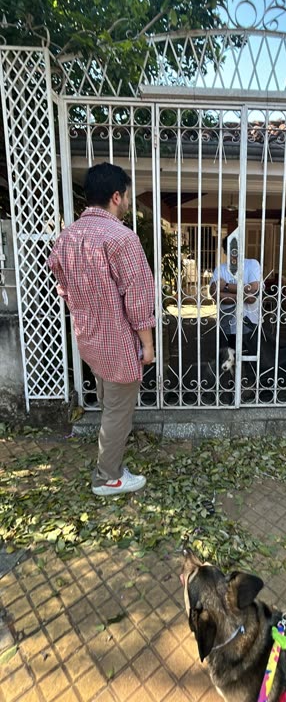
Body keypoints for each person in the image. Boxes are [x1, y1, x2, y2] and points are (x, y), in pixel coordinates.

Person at [48, 162, 155, 497]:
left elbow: (61, 287)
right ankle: (107, 477)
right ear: (115, 196)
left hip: (89, 340)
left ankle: (108, 465)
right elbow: (137, 299)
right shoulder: (122, 239)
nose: (128, 202)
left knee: (109, 403)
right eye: (127, 196)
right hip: (119, 344)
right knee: (118, 412)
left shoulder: (66, 237)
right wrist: (147, 346)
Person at [210, 237, 261, 351]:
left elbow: (253, 290)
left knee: (247, 361)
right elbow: (214, 293)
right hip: (226, 324)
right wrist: (244, 295)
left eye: (236, 250)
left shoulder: (252, 264)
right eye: (231, 251)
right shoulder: (220, 269)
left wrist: (226, 287)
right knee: (226, 362)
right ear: (225, 252)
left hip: (248, 323)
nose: (234, 254)